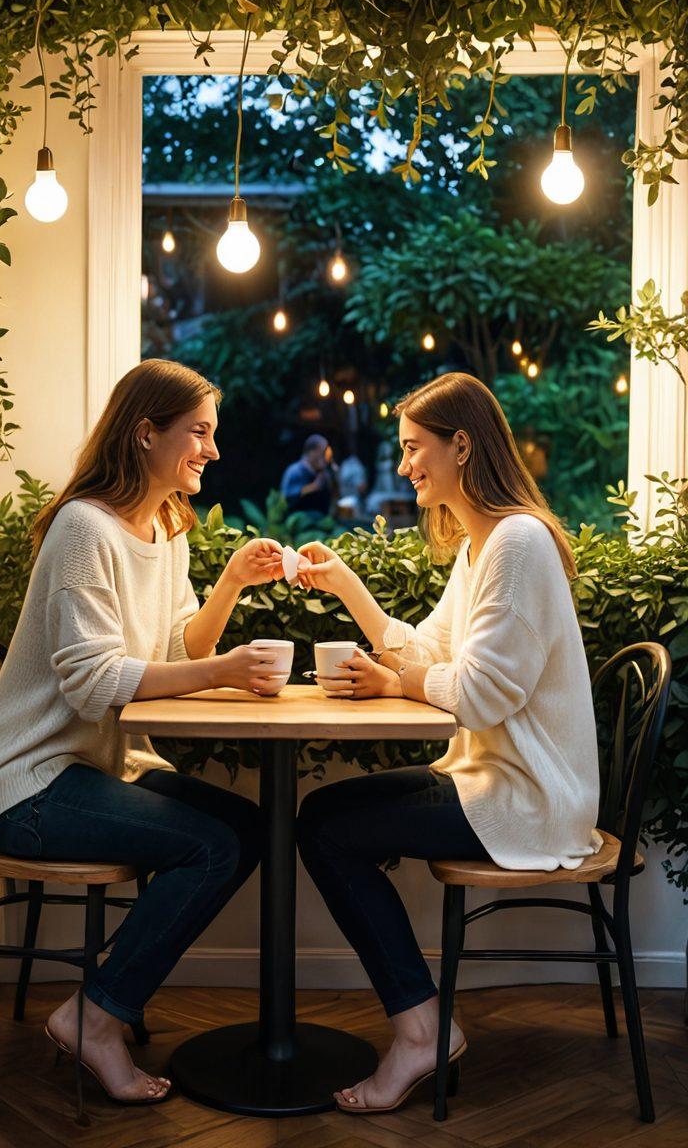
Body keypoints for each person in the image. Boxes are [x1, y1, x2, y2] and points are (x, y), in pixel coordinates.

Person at [0, 359, 286, 1105]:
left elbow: (178, 647)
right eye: (198, 433)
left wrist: (231, 586)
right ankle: (98, 1016)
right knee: (211, 846)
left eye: (213, 435)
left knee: (250, 827)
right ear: (146, 433)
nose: (211, 450)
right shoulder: (84, 528)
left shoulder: (165, 528)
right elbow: (91, 681)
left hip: (97, 772)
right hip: (31, 787)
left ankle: (106, 999)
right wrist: (226, 673)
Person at [295, 371, 601, 1115]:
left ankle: (419, 1033)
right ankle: (423, 1025)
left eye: (412, 449)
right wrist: (346, 589)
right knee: (324, 819)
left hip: (529, 797)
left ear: (461, 445)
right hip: (489, 779)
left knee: (330, 830)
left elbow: (480, 692)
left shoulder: (517, 543)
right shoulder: (483, 546)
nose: (403, 467)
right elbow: (423, 648)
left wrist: (395, 685)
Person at [280, 433, 335, 516]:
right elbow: (286, 499)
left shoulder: (323, 474)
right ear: (311, 452)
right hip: (297, 524)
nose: (326, 458)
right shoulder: (295, 471)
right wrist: (313, 487)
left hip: (321, 524)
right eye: (323, 453)